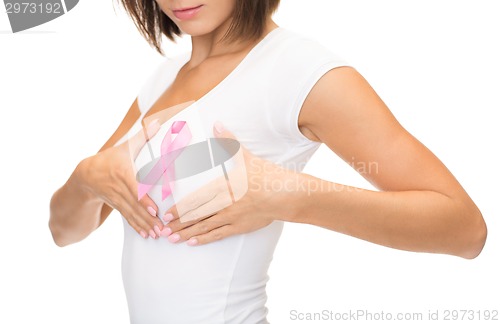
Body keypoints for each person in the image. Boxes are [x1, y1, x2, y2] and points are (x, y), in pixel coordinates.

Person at [48, 0, 487, 323]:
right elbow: (64, 231)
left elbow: (464, 229)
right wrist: (86, 178)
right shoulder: (162, 80)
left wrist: (289, 197)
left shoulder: (298, 69)